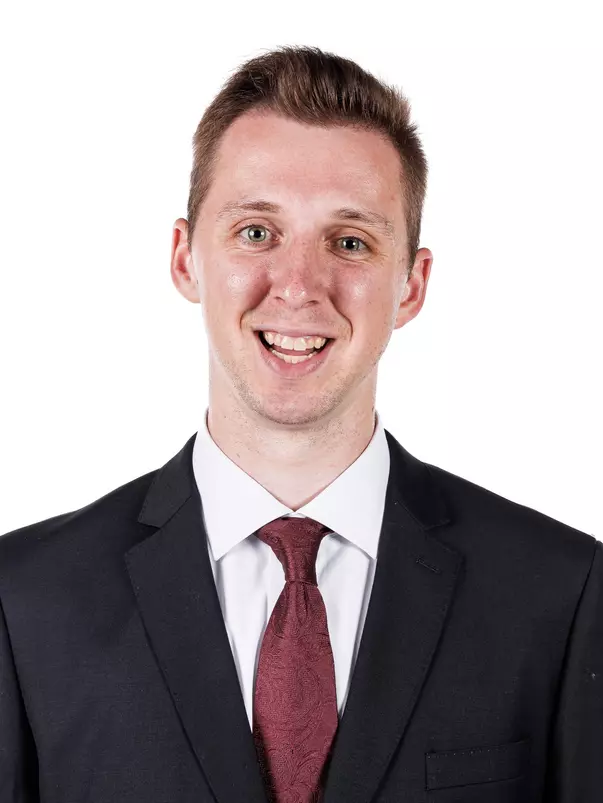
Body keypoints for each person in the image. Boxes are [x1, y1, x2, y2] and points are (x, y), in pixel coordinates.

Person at [0, 45, 600, 803]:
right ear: (186, 259)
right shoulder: (26, 600)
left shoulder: (557, 592)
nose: (298, 286)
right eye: (256, 232)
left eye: (349, 242)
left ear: (410, 285)